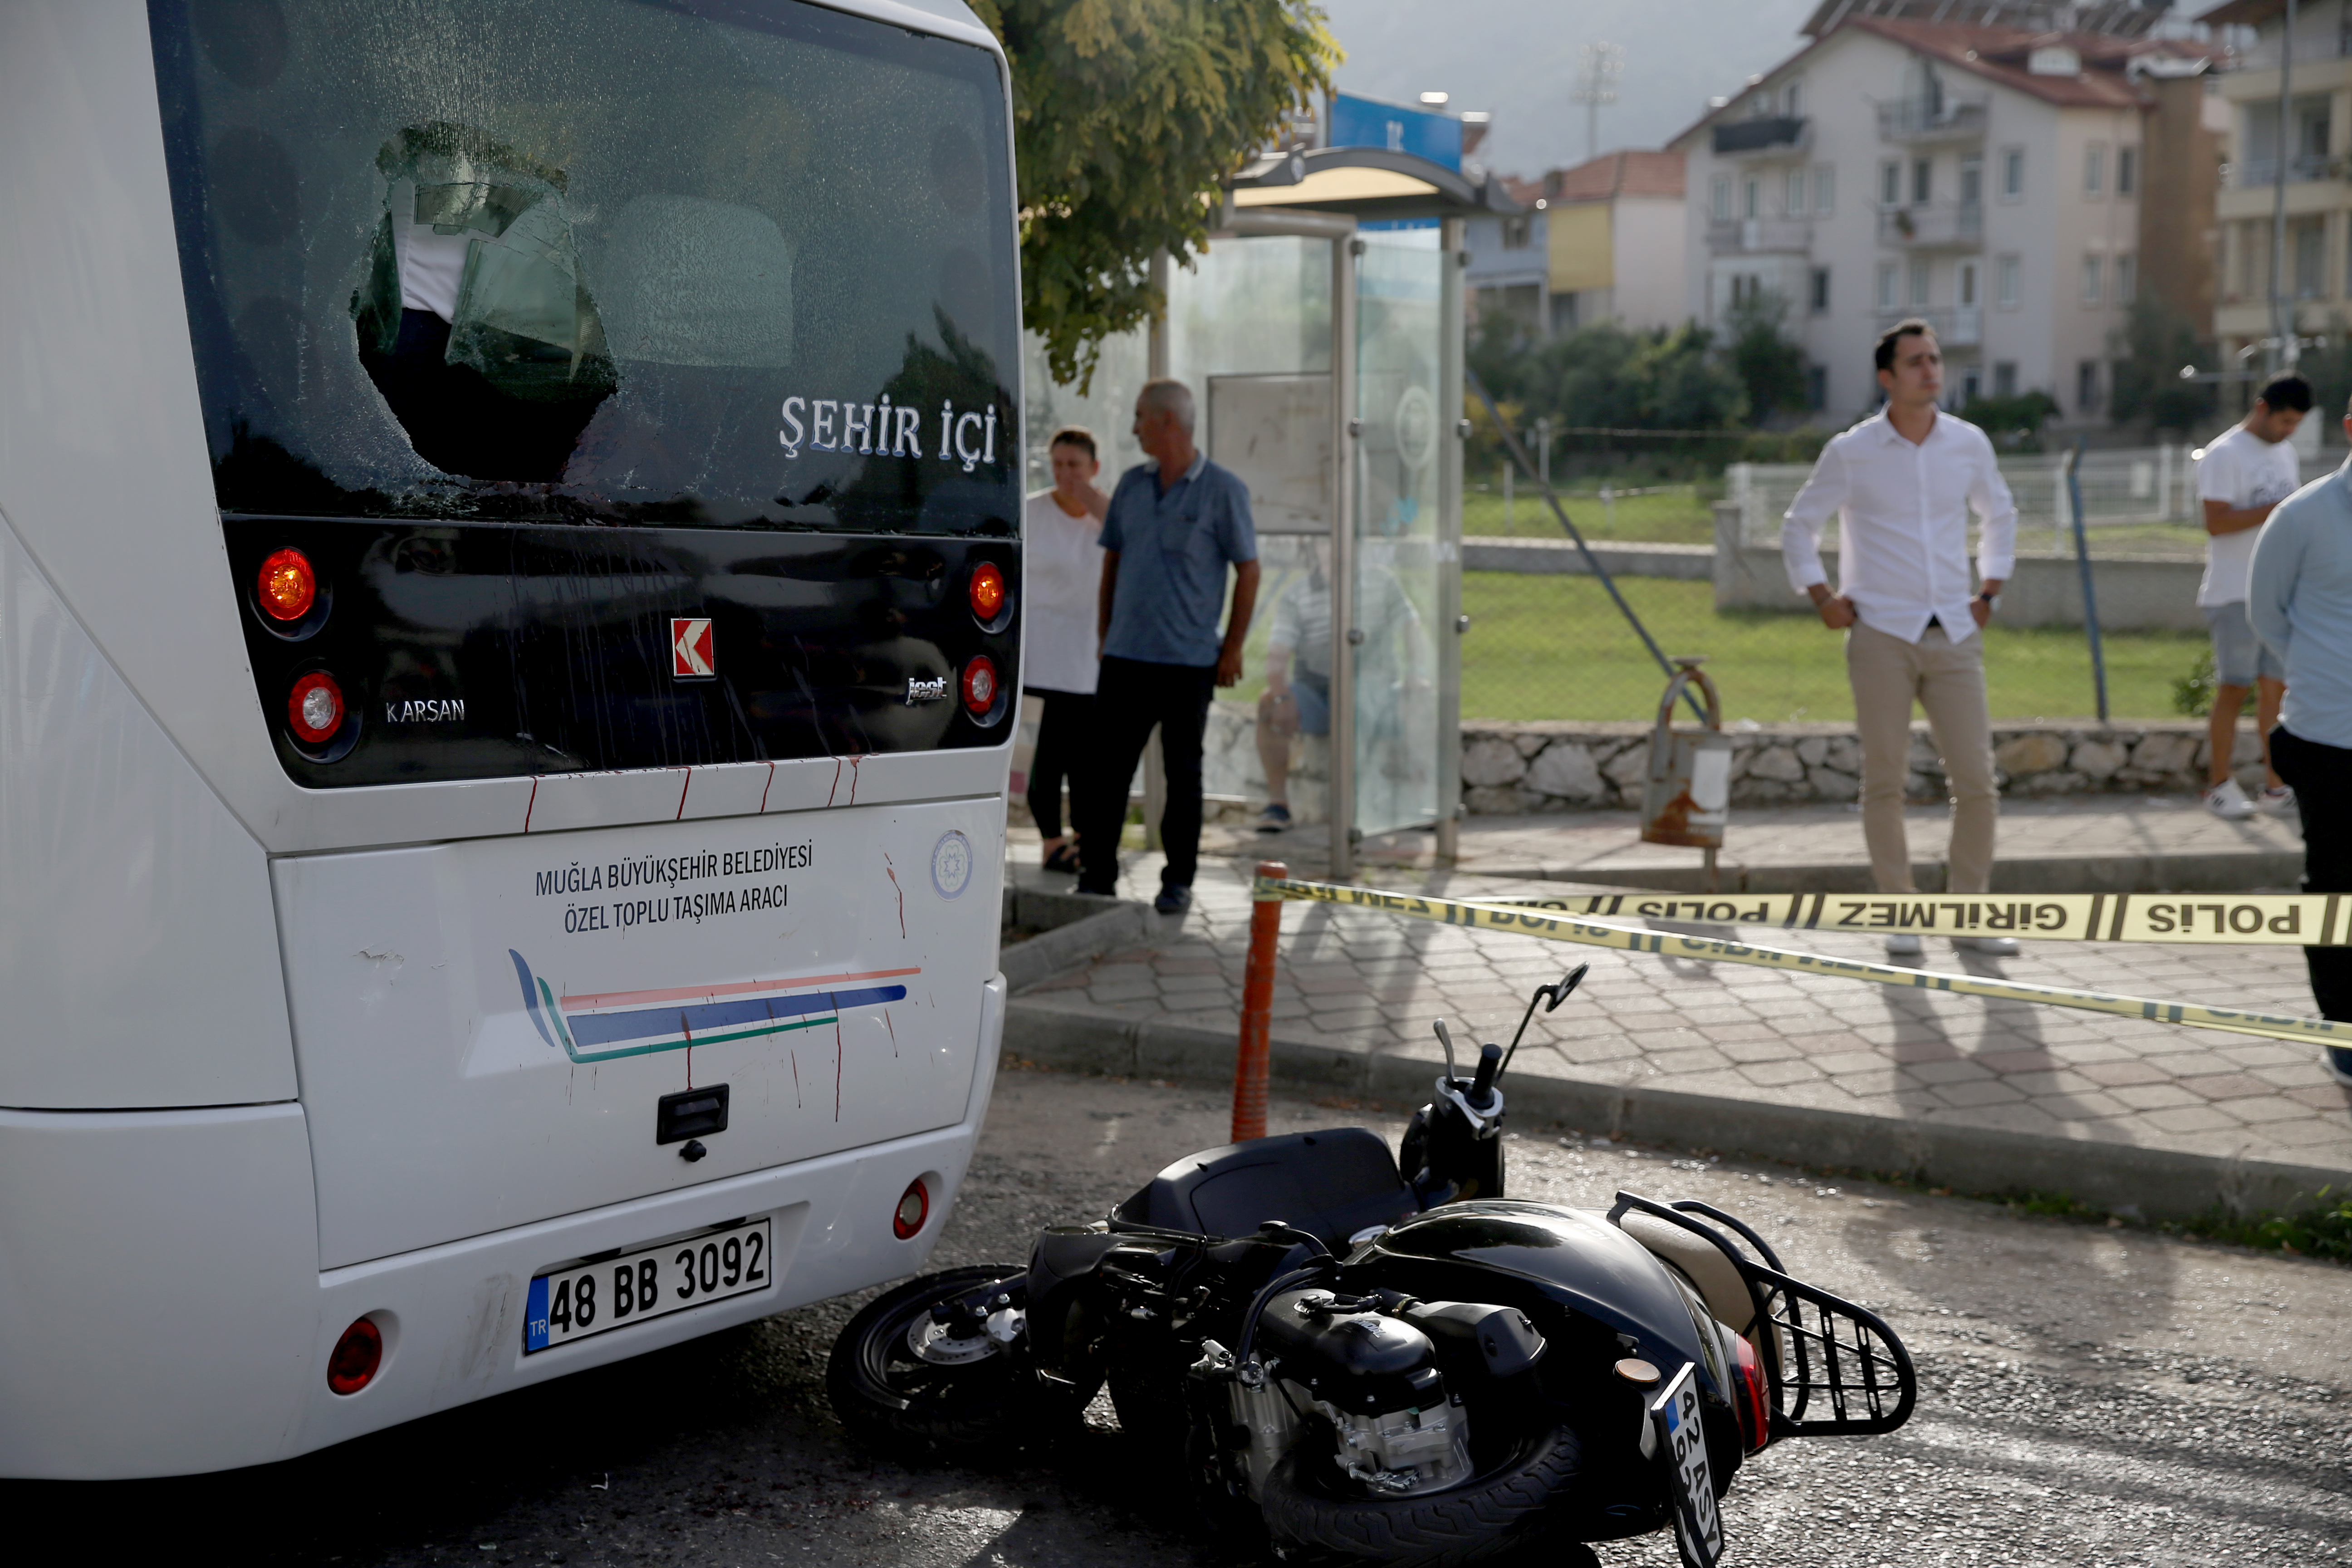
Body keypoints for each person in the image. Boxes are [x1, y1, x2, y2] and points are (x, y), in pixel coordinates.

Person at [1783, 318, 2019, 962]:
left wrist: (1991, 589)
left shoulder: (1969, 444)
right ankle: (1901, 915)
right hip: (1880, 635)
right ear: (1887, 377)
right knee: (1884, 781)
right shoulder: (1851, 451)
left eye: (1935, 359)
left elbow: (1999, 514)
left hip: (1956, 633)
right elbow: (1798, 526)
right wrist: (1821, 597)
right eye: (1916, 361)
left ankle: (1969, 917)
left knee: (1977, 782)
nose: (1931, 370)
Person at [1071, 379, 1261, 914]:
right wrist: (1106, 634)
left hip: (1189, 664)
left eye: (1139, 418)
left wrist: (1234, 649)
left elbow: (1249, 570)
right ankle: (1097, 877)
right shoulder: (1132, 487)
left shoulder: (1224, 490)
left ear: (1167, 423)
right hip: (1126, 659)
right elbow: (1112, 560)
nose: (1133, 428)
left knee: (1184, 776)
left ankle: (1178, 881)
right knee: (1105, 773)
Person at [2246, 395, 2352, 1089]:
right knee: (2335, 889)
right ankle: (2343, 1033)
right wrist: (2325, 673)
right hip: (2325, 739)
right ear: (2350, 428)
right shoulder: (2303, 516)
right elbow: (2265, 612)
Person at [2194, 376, 2307, 819]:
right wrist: (2281, 509)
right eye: (2284, 420)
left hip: (2278, 595)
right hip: (2233, 592)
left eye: (2296, 423)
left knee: (2275, 694)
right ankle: (2219, 786)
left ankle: (2276, 788)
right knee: (2233, 688)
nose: (2289, 430)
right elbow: (2216, 522)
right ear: (2262, 409)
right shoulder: (2224, 454)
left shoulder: (2285, 452)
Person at [1022, 427, 1110, 873]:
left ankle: (1081, 839)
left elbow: (1133, 543)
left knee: (1085, 755)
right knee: (1052, 750)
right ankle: (1054, 841)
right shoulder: (1032, 511)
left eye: (1074, 465)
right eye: (1057, 464)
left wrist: (1094, 502)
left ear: (1094, 468)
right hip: (1042, 651)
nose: (1064, 474)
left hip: (1089, 652)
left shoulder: (1107, 515)